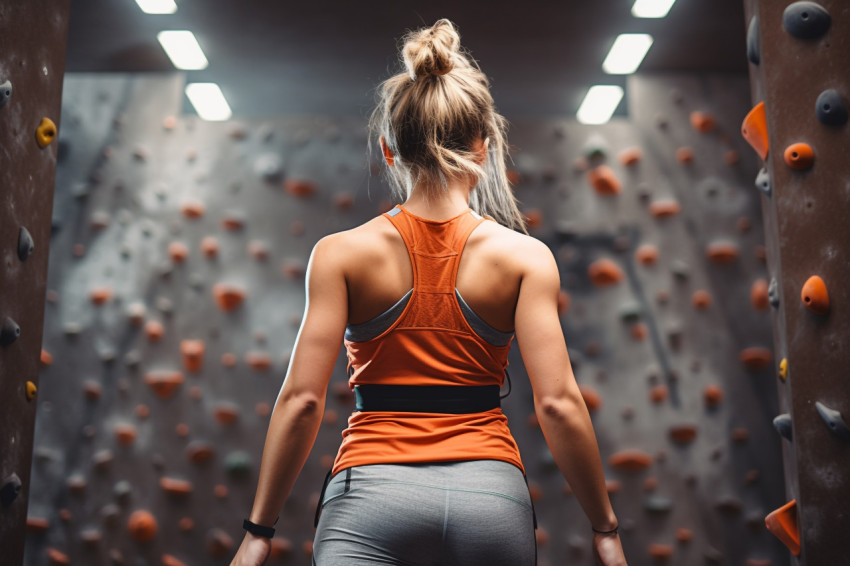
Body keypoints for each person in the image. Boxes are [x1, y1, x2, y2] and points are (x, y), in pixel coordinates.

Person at [231, 18, 627, 566]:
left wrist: (259, 531)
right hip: (491, 499)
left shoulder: (339, 254)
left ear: (390, 152)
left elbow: (301, 401)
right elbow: (558, 404)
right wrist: (604, 527)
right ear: (484, 149)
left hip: (369, 497)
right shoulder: (525, 258)